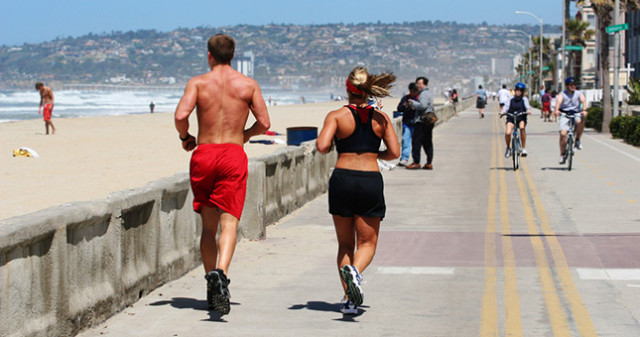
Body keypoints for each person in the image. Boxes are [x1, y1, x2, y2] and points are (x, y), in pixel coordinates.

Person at [174, 34, 271, 315]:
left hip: (204, 154)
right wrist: (245, 135)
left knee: (208, 226)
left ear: (209, 55)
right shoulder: (248, 84)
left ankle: (210, 282)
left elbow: (181, 115)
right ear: (233, 55)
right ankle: (222, 274)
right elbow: (264, 123)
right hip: (232, 153)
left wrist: (185, 136)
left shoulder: (198, 83)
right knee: (229, 224)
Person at [316, 66, 399, 315]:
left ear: (347, 88)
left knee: (344, 244)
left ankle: (349, 298)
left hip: (342, 179)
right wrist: (374, 154)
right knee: (367, 243)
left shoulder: (336, 116)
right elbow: (394, 153)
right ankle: (355, 276)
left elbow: (321, 146)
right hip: (370, 181)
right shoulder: (380, 118)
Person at [553, 77, 587, 164]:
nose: (573, 86)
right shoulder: (562, 94)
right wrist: (556, 110)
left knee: (580, 122)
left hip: (576, 113)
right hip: (565, 114)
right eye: (571, 85)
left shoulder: (579, 93)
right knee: (563, 134)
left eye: (574, 85)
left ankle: (577, 140)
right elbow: (558, 103)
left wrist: (584, 110)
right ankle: (562, 154)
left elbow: (583, 101)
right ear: (567, 86)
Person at [406, 76, 435, 170]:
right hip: (427, 122)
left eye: (419, 83)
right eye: (417, 83)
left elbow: (422, 106)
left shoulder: (424, 94)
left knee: (416, 143)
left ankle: (416, 162)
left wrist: (412, 102)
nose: (417, 85)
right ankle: (429, 163)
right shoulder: (428, 93)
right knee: (427, 143)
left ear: (424, 84)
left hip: (422, 122)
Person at [500, 82, 532, 158]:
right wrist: (502, 112)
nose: (518, 91)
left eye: (520, 90)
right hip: (511, 117)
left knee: (522, 128)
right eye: (517, 89)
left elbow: (527, 106)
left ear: (522, 91)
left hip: (521, 117)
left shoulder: (524, 99)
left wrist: (528, 110)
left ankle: (523, 148)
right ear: (515, 90)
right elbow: (506, 107)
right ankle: (508, 148)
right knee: (508, 133)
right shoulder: (510, 99)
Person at [396, 82, 419, 166]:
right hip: (407, 124)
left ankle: (416, 160)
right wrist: (405, 105)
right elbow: (399, 108)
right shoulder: (405, 98)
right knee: (406, 142)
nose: (413, 93)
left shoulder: (419, 99)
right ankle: (404, 158)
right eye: (411, 91)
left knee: (416, 143)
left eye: (414, 91)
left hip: (416, 124)